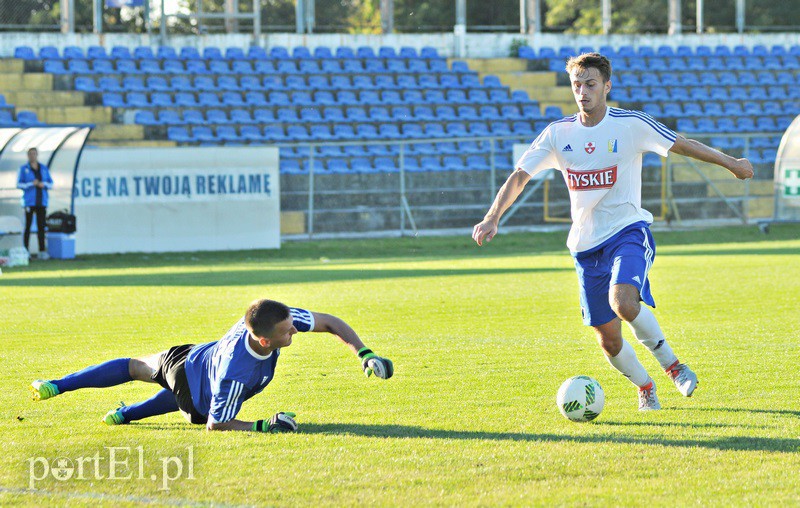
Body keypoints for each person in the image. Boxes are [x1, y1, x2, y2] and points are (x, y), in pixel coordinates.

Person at [472, 52, 754, 411]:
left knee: (622, 302)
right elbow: (520, 176)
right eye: (577, 85)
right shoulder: (558, 134)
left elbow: (681, 144)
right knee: (609, 341)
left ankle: (674, 367)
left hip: (627, 230)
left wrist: (731, 163)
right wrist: (493, 216)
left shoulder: (630, 124)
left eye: (590, 84)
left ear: (607, 85)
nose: (583, 92)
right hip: (585, 246)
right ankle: (645, 386)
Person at [31, 299, 394, 432]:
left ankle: (77, 393)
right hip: (198, 392)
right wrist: (264, 426)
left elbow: (329, 321)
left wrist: (365, 354)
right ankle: (65, 390)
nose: (294, 331)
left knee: (135, 368)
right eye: (288, 331)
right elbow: (216, 425)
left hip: (195, 359)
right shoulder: (241, 373)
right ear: (264, 340)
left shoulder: (271, 317)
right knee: (168, 388)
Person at [16, 147, 54, 260]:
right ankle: (26, 251)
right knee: (27, 226)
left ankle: (42, 251)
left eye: (34, 154)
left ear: (37, 155)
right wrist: (31, 184)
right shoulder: (24, 169)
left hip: (42, 201)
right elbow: (19, 184)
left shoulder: (43, 168)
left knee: (41, 227)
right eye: (30, 154)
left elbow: (51, 184)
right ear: (28, 156)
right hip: (29, 202)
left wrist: (43, 184)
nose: (32, 156)